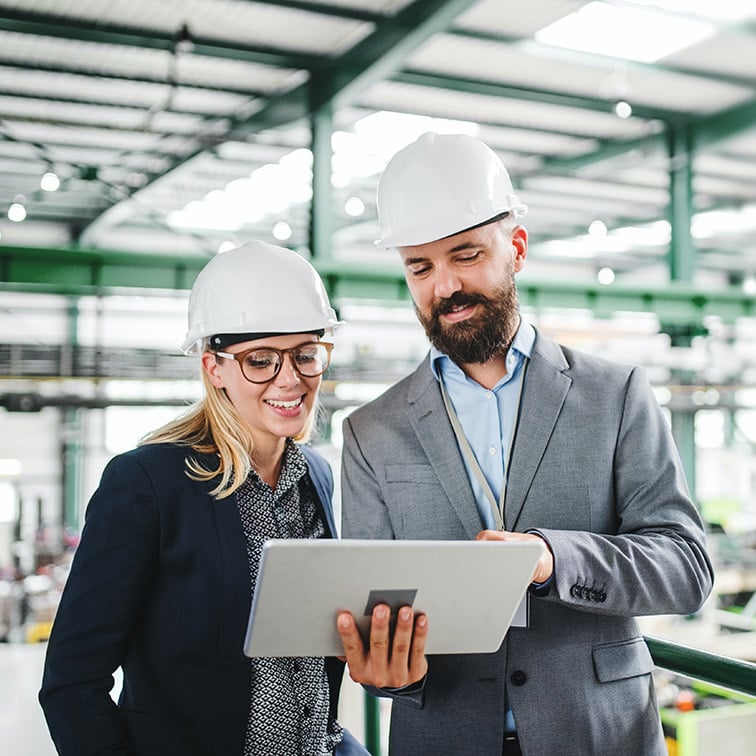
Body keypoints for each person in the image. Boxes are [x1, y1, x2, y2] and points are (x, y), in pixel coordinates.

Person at [335, 133, 714, 756]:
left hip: (598, 735)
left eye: (466, 255)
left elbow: (687, 569)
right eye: (420, 267)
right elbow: (376, 618)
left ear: (516, 249)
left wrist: (552, 558)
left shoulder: (615, 395)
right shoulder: (371, 432)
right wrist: (389, 673)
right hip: (446, 736)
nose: (445, 286)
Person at [39, 241, 369, 756]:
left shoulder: (316, 478)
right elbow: (72, 682)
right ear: (214, 367)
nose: (291, 379)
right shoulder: (147, 483)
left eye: (306, 355)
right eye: (260, 360)